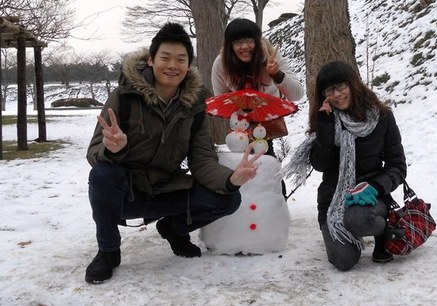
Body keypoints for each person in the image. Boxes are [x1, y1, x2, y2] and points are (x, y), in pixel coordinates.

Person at [85, 22, 263, 284]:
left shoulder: (195, 103)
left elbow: (202, 158)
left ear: (188, 65)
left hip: (167, 189)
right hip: (127, 194)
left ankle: (174, 228)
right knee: (102, 174)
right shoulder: (124, 97)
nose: (172, 65)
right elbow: (93, 153)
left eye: (180, 59)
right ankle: (108, 250)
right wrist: (114, 149)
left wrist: (230, 180)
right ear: (150, 60)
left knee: (229, 199)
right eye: (165, 58)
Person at [308, 60, 407, 271]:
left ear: (354, 84)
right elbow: (319, 165)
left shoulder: (382, 117)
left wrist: (376, 187)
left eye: (341, 86)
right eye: (329, 90)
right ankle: (345, 231)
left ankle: (382, 231)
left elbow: (397, 166)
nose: (337, 94)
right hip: (334, 199)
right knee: (343, 261)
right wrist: (324, 126)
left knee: (358, 218)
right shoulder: (326, 118)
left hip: (371, 197)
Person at [211, 18, 304, 196]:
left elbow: (297, 94)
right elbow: (220, 98)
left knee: (265, 157)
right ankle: (244, 202)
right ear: (230, 45)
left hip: (266, 120)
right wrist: (240, 108)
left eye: (250, 40)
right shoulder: (221, 64)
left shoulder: (270, 57)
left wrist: (276, 74)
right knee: (240, 159)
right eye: (238, 42)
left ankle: (275, 200)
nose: (245, 46)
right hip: (240, 123)